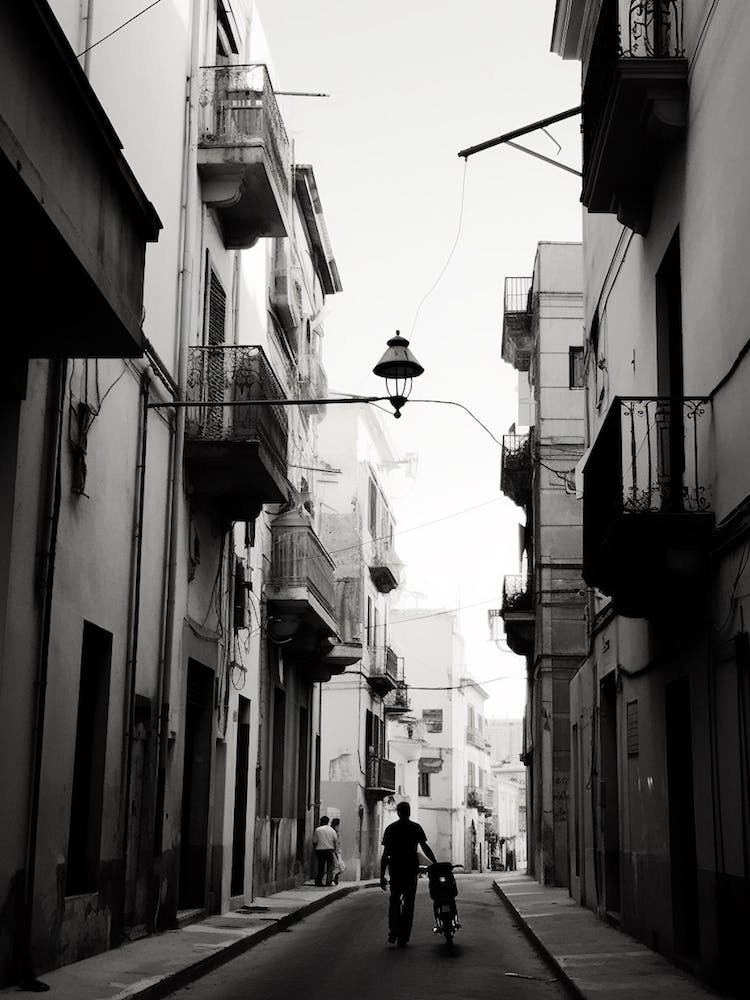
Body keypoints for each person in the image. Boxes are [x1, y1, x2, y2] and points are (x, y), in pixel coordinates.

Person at [380, 801, 436, 947]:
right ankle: (404, 935)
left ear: (398, 812)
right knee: (409, 903)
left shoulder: (391, 829)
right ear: (409, 812)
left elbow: (385, 854)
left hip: (396, 869)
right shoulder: (415, 828)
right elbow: (425, 847)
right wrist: (435, 863)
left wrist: (382, 876)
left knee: (394, 900)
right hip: (411, 869)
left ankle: (394, 930)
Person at [312, 816, 338, 887]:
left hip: (320, 850)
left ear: (321, 821)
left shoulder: (317, 830)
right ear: (328, 822)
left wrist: (315, 849)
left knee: (321, 866)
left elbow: (314, 841)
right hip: (329, 850)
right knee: (330, 867)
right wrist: (335, 851)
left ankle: (319, 882)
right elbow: (335, 841)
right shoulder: (332, 830)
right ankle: (328, 882)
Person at [330, 817, 346, 884]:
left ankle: (334, 878)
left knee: (339, 866)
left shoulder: (335, 832)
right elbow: (336, 843)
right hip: (335, 851)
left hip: (336, 851)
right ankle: (333, 878)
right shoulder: (334, 832)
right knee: (340, 866)